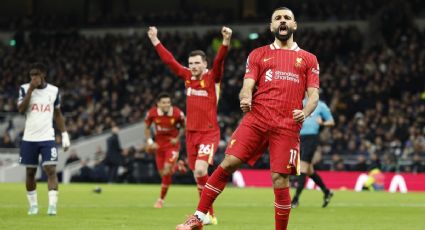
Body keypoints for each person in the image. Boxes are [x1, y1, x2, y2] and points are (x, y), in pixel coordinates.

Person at [176, 7, 320, 230]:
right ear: (271, 26)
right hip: (257, 119)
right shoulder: (258, 54)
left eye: (287, 18)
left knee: (280, 180)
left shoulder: (309, 59)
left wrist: (306, 111)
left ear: (294, 25)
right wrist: (245, 98)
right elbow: (247, 86)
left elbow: (314, 95)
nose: (282, 21)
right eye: (278, 18)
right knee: (228, 163)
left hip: (287, 125)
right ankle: (199, 216)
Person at [148, 25, 232, 225]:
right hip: (191, 134)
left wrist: (225, 42)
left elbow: (219, 62)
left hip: (208, 133)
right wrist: (155, 40)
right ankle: (208, 214)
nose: (193, 66)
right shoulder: (187, 77)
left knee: (201, 171)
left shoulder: (212, 78)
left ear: (204, 64)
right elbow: (170, 61)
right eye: (191, 63)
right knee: (198, 176)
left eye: (197, 63)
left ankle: (204, 214)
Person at [17, 62, 71, 216]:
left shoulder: (54, 91)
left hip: (47, 137)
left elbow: (58, 114)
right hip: (29, 138)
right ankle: (33, 206)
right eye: (31, 76)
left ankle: (52, 206)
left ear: (43, 75)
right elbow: (21, 110)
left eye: (36, 75)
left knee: (51, 170)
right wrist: (30, 91)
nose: (34, 79)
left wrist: (65, 134)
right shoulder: (24, 88)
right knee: (30, 172)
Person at [291, 99, 335, 208]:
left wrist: (322, 123)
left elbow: (331, 121)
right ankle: (327, 192)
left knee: (303, 168)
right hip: (299, 138)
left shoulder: (320, 105)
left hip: (311, 138)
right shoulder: (299, 102)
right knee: (309, 170)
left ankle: (295, 199)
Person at [144, 93, 185, 208]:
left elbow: (185, 126)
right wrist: (150, 142)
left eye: (168, 102)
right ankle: (178, 166)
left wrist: (177, 138)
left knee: (167, 170)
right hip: (159, 146)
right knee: (163, 173)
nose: (166, 104)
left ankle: (160, 200)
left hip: (172, 146)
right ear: (158, 104)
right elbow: (147, 127)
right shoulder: (152, 113)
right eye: (164, 102)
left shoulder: (177, 113)